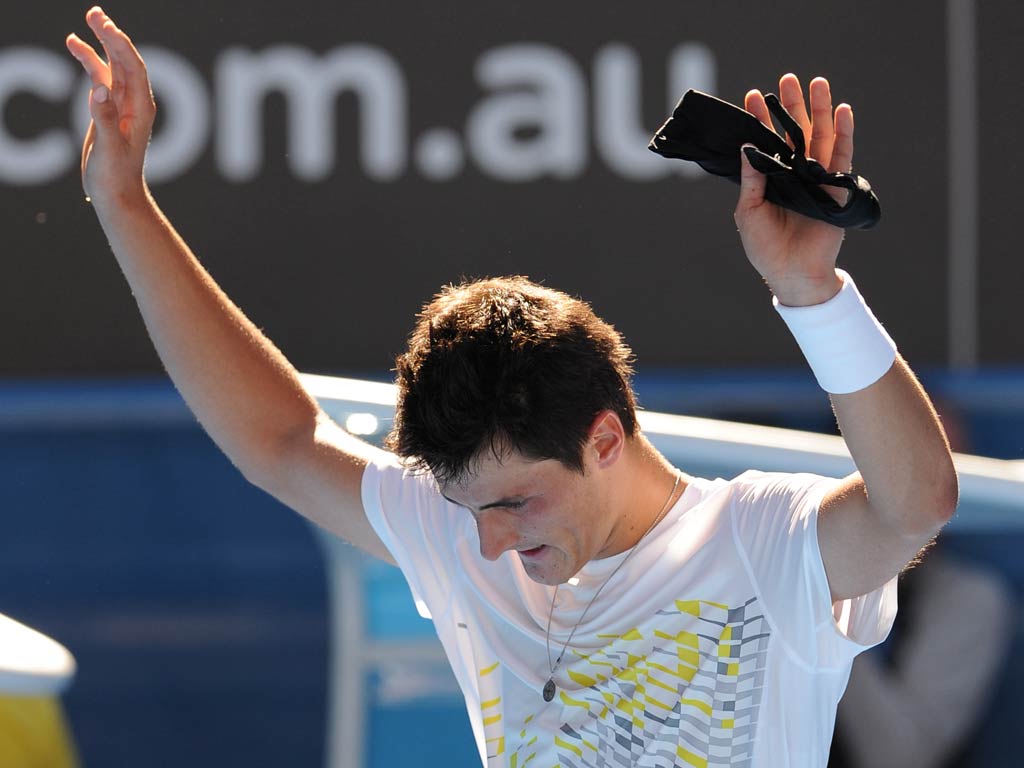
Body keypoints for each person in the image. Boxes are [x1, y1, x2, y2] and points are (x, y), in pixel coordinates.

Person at [65, 7, 957, 767]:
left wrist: (813, 293)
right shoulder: (466, 529)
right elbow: (280, 442)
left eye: (516, 504)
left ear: (606, 438)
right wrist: (123, 201)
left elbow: (913, 505)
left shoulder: (762, 539)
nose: (490, 544)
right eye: (472, 509)